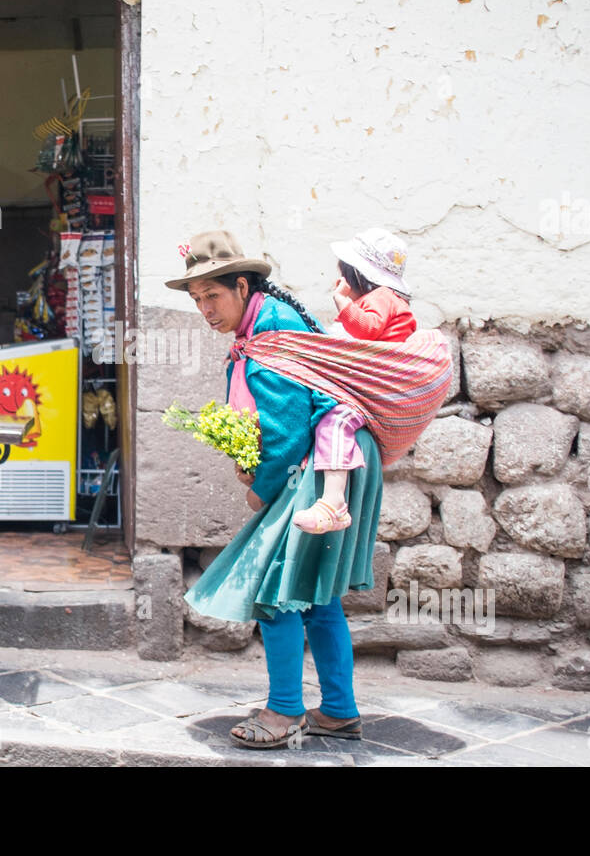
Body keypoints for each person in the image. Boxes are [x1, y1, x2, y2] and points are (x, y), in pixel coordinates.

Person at [166, 230, 384, 749]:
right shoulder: (265, 325)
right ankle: (338, 710)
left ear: (242, 286)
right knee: (316, 595)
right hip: (337, 459)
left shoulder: (270, 337)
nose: (205, 310)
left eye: (212, 296)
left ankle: (285, 709)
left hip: (320, 464)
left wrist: (261, 489)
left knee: (277, 590)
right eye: (196, 301)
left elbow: (285, 434)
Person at [292, 228, 416, 534]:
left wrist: (341, 301)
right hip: (372, 382)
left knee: (335, 421)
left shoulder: (382, 298)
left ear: (356, 274)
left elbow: (368, 329)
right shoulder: (384, 299)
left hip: (376, 388)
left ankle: (333, 504)